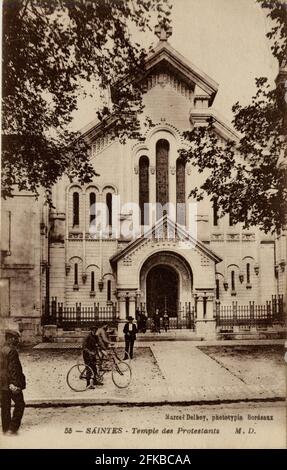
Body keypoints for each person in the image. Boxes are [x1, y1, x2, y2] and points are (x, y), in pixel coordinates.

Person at [0, 329, 26, 435]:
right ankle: (13, 428)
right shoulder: (12, 351)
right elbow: (13, 369)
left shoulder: (2, 349)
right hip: (11, 384)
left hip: (2, 384)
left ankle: (6, 429)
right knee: (20, 404)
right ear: (10, 339)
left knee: (5, 406)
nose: (17, 341)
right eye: (16, 339)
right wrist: (14, 384)